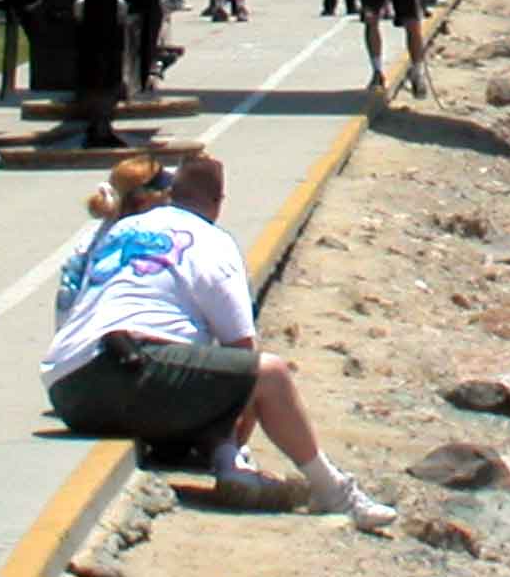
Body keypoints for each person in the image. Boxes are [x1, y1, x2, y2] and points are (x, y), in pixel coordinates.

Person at [40, 155, 396, 530]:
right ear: (218, 201)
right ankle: (333, 490)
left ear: (171, 194)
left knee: (204, 376)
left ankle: (229, 463)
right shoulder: (214, 242)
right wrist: (236, 435)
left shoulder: (121, 229)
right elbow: (242, 350)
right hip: (132, 370)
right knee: (266, 375)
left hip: (68, 388)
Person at [54, 154, 176, 327]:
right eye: (166, 193)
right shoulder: (157, 240)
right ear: (143, 199)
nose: (170, 199)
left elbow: (64, 306)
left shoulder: (89, 241)